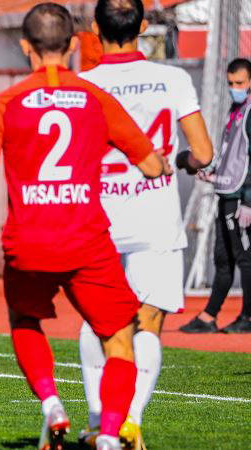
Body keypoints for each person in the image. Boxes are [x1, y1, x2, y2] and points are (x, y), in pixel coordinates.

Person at [0, 3, 169, 449]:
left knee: (25, 319)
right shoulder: (96, 98)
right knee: (119, 339)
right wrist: (161, 163)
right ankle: (109, 435)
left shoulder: (4, 103)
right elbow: (150, 164)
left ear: (25, 46)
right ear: (73, 44)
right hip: (87, 239)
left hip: (29, 240)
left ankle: (52, 403)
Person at [76, 1, 214, 447]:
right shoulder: (173, 78)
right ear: (143, 25)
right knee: (149, 321)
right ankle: (130, 422)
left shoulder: (84, 84)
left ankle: (98, 422)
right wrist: (183, 160)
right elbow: (204, 153)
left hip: (100, 216)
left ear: (95, 28)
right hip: (154, 215)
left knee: (97, 320)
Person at [180, 58, 251, 334]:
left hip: (240, 196)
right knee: (223, 257)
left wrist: (248, 201)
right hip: (226, 190)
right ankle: (209, 316)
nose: (235, 88)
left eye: (240, 83)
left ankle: (247, 317)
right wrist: (213, 173)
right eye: (231, 83)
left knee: (244, 257)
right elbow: (234, 153)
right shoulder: (236, 110)